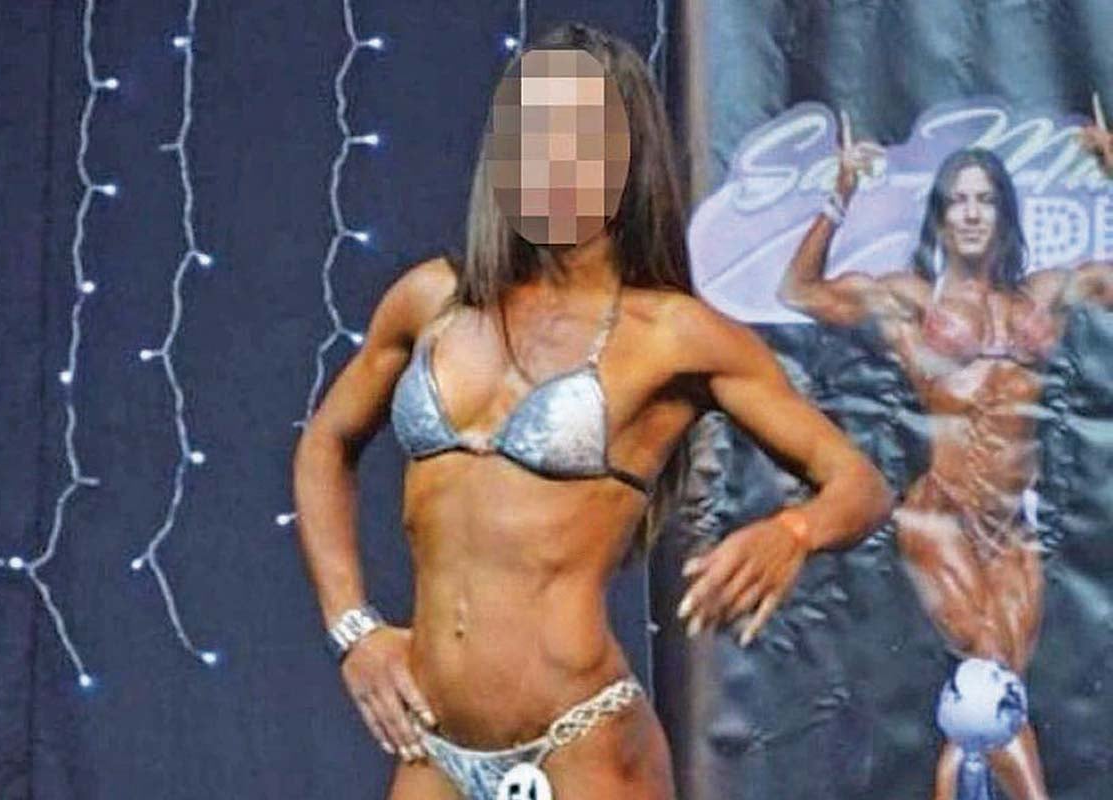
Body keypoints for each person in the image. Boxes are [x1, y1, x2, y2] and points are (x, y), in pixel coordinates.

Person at [294, 23, 890, 800]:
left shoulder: (673, 335)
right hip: (432, 744)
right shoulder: (431, 300)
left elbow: (858, 484)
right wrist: (353, 629)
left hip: (580, 743)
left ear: (627, 159)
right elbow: (326, 443)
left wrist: (792, 532)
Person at [779, 127, 1113, 800]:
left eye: (984, 200)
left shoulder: (1043, 295)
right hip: (941, 517)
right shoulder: (913, 299)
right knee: (988, 676)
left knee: (990, 697)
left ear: (1004, 213)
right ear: (940, 216)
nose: (970, 213)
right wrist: (840, 194)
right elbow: (800, 292)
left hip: (1012, 526)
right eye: (958, 200)